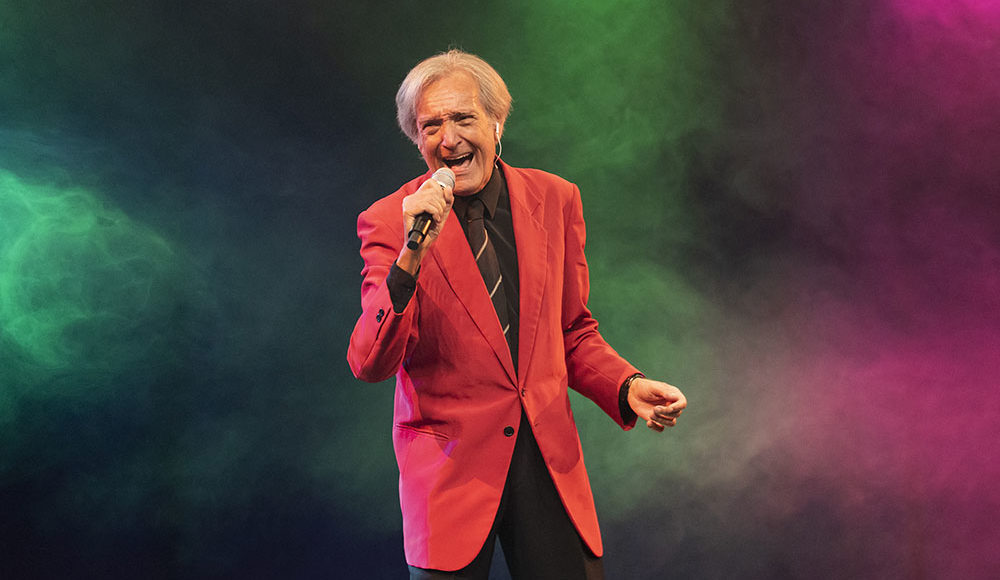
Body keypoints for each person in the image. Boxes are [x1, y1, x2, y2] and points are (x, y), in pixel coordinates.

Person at [347, 49, 687, 579]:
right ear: (417, 139)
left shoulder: (555, 198)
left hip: (547, 462)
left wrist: (627, 385)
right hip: (451, 474)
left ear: (496, 122)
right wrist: (412, 254)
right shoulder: (391, 221)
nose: (449, 139)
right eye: (431, 125)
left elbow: (572, 331)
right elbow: (369, 361)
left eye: (463, 118)